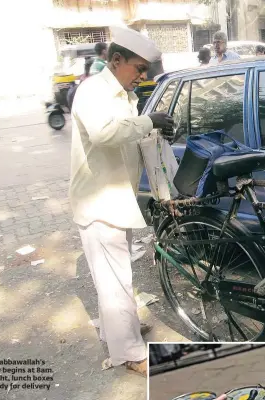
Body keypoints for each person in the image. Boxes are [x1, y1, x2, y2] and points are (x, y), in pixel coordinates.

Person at [69, 25, 175, 377]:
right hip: (98, 202)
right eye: (138, 68)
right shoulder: (92, 91)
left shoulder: (122, 94)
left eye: (145, 70)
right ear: (116, 60)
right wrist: (147, 121)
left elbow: (132, 139)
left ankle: (123, 331)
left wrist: (154, 132)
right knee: (113, 281)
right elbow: (104, 134)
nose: (142, 76)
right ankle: (128, 352)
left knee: (120, 276)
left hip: (118, 199)